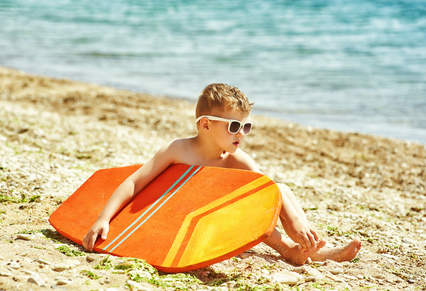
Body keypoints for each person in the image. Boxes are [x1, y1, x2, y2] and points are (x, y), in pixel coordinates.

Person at [83, 83, 361, 265]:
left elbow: (269, 194)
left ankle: (304, 244)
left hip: (224, 220)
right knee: (268, 195)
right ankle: (295, 249)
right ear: (205, 124)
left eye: (246, 126)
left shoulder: (236, 159)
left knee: (280, 189)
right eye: (233, 126)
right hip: (191, 223)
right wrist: (103, 219)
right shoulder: (177, 150)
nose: (241, 133)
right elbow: (135, 182)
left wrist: (295, 221)